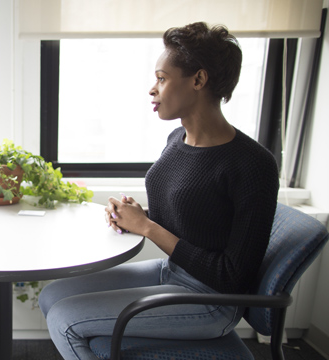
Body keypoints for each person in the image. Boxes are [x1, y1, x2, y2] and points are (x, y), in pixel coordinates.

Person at [38, 22, 279, 359]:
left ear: (198, 80)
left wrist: (147, 227)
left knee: (65, 319)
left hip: (213, 302)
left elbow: (232, 276)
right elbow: (191, 220)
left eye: (162, 79)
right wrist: (134, 217)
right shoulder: (175, 140)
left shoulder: (252, 164)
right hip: (174, 273)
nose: (153, 89)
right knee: (51, 296)